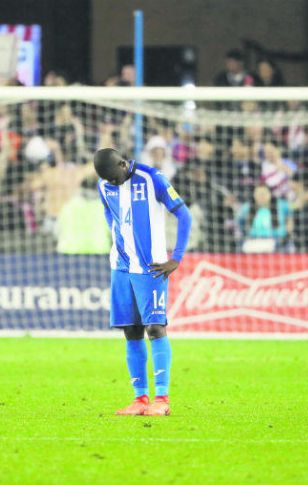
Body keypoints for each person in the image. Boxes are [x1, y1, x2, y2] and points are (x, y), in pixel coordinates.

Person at [93, 148, 192, 417]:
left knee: (155, 328)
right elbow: (110, 215)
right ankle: (140, 399)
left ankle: (162, 398)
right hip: (121, 268)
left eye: (115, 177)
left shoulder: (152, 178)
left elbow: (184, 215)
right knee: (131, 331)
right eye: (108, 180)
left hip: (151, 268)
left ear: (123, 164)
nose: (112, 183)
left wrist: (177, 257)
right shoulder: (104, 186)